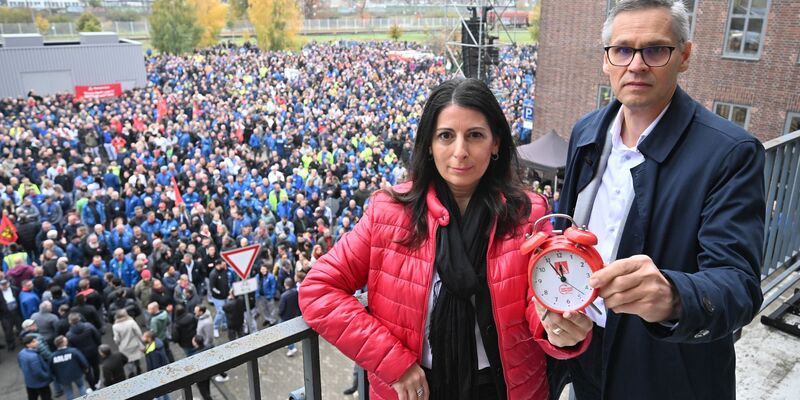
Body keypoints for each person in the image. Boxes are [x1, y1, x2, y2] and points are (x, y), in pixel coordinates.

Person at [299, 78, 593, 400]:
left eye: (475, 136)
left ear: (496, 143)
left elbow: (537, 306)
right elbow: (318, 291)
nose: (460, 152)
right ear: (428, 144)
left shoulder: (529, 213)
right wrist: (392, 362)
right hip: (414, 387)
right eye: (446, 136)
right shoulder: (388, 213)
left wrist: (558, 331)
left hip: (505, 389)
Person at [552, 1, 766, 400]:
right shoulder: (586, 132)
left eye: (655, 50)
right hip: (586, 352)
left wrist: (671, 296)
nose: (636, 65)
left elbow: (740, 287)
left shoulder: (731, 153)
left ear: (684, 56)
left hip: (665, 371)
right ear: (606, 60)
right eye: (622, 50)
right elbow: (564, 237)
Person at [49, 335, 89, 400]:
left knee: (68, 392)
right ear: (63, 343)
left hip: (63, 377)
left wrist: (55, 376)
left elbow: (51, 368)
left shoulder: (52, 356)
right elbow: (82, 361)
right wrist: (86, 368)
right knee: (81, 387)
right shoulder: (73, 351)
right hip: (76, 374)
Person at [18, 335, 52, 400]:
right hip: (41, 384)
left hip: (29, 383)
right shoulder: (34, 357)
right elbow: (38, 372)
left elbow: (20, 365)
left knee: (32, 397)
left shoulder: (21, 353)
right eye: (34, 341)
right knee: (46, 397)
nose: (37, 342)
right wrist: (47, 376)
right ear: (28, 344)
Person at [111, 309, 145, 377]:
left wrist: (117, 343)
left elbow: (117, 338)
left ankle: (131, 373)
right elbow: (138, 332)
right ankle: (138, 369)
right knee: (136, 357)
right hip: (134, 343)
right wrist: (142, 340)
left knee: (128, 361)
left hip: (124, 346)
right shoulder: (131, 322)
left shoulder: (115, 326)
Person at [142, 331, 170, 400]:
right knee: (164, 391)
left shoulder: (153, 351)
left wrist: (152, 375)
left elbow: (155, 364)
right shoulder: (156, 344)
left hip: (156, 375)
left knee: (159, 392)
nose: (142, 338)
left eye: (144, 336)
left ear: (149, 339)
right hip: (160, 373)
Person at [278, 277, 301, 357]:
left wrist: (280, 314)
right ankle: (289, 344)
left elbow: (281, 308)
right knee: (289, 330)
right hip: (293, 314)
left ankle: (291, 347)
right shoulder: (295, 292)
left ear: (285, 284)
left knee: (286, 331)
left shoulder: (284, 296)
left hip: (285, 317)